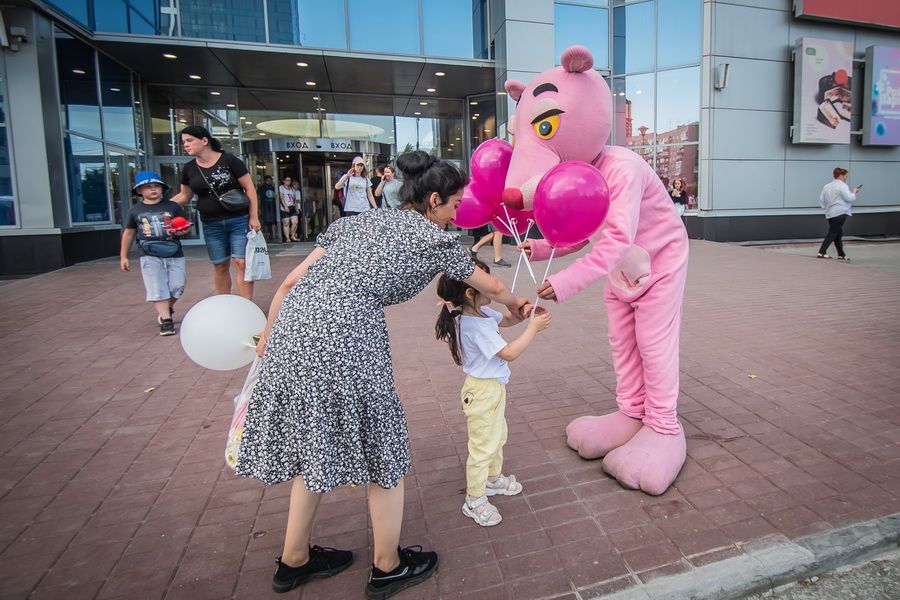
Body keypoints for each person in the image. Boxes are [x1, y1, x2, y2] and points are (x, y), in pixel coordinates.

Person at [236, 151, 531, 598]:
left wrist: (268, 337)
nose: (457, 214)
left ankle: (294, 560)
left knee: (312, 440)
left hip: (294, 329)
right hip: (349, 335)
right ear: (434, 200)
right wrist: (516, 306)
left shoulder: (355, 222)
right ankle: (388, 565)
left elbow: (290, 282)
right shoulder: (435, 239)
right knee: (382, 445)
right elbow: (492, 285)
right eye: (454, 205)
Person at [435, 258, 551, 527]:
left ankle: (492, 478)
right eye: (485, 284)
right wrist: (533, 329)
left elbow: (507, 319)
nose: (493, 290)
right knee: (482, 446)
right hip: (482, 391)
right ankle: (474, 499)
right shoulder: (473, 325)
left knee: (497, 435)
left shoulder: (481, 315)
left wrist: (524, 314)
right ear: (470, 292)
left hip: (492, 389)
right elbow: (508, 353)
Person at [170, 125, 260, 299]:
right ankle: (224, 303)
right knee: (220, 265)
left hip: (238, 219)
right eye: (183, 142)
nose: (186, 145)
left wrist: (254, 216)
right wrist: (163, 205)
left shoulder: (229, 161)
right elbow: (184, 195)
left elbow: (249, 187)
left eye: (190, 141)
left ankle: (247, 305)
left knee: (242, 262)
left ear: (204, 141)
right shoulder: (189, 168)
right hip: (211, 224)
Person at [119, 171, 191, 336]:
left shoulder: (172, 206)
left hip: (174, 252)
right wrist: (124, 256)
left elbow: (184, 226)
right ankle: (166, 320)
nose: (153, 190)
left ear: (162, 188)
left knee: (177, 285)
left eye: (156, 186)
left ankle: (168, 307)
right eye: (148, 187)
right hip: (149, 254)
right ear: (139, 191)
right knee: (157, 287)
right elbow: (129, 233)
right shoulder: (135, 210)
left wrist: (182, 231)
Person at [817, 167, 860, 261]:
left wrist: (827, 208)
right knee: (833, 232)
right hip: (840, 212)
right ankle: (822, 252)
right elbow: (849, 198)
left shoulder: (827, 186)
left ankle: (841, 254)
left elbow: (821, 200)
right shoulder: (842, 186)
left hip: (830, 213)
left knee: (838, 233)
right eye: (845, 176)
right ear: (841, 175)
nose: (846, 178)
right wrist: (854, 192)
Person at [257, 175, 279, 241]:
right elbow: (258, 199)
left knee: (274, 222)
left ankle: (274, 236)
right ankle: (266, 236)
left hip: (274, 207)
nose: (269, 182)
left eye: (270, 180)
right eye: (268, 180)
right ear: (265, 181)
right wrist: (258, 208)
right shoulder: (261, 189)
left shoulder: (274, 188)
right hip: (265, 207)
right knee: (266, 223)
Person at [278, 176, 299, 242]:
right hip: (284, 208)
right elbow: (281, 198)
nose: (288, 182)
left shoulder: (292, 189)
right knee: (286, 223)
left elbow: (294, 199)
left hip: (292, 206)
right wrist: (285, 206)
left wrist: (296, 208)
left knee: (295, 222)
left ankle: (292, 235)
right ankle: (287, 238)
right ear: (283, 181)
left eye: (289, 180)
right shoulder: (281, 188)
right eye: (287, 180)